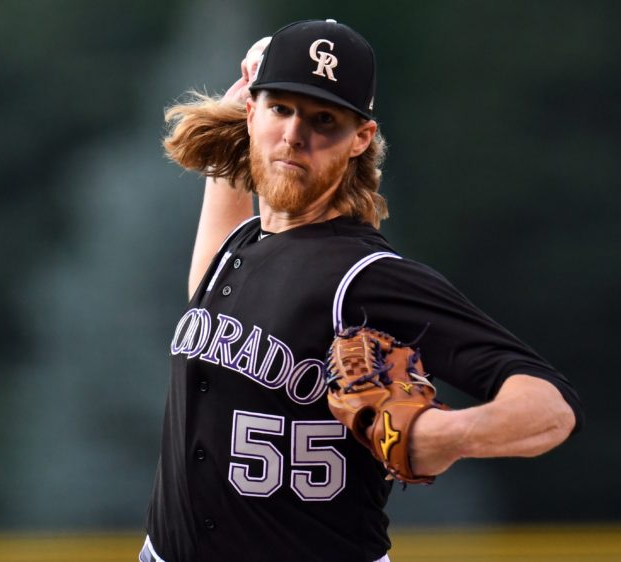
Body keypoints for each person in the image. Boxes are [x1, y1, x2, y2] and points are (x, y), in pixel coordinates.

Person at [142, 19, 584, 562]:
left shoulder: (364, 274)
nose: (295, 134)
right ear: (252, 112)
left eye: (323, 120)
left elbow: (550, 407)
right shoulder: (241, 248)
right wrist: (244, 115)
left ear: (361, 139)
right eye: (281, 108)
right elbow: (211, 288)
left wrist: (445, 435)